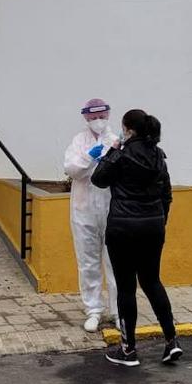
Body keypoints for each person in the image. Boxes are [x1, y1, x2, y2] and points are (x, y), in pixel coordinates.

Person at [92, 109, 182, 368]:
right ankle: (171, 340)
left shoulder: (121, 155)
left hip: (122, 229)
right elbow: (167, 193)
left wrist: (112, 150)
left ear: (128, 130)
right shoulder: (157, 156)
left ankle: (128, 349)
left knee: (126, 287)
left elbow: (99, 179)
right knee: (152, 281)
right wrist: (159, 221)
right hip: (153, 228)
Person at [62, 98, 121, 333]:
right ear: (86, 118)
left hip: (111, 209)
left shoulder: (116, 141)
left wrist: (96, 162)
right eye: (93, 117)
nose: (97, 121)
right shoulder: (79, 141)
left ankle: (119, 311)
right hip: (83, 210)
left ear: (107, 116)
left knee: (115, 263)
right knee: (88, 262)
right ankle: (93, 310)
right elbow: (72, 169)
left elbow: (117, 171)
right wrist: (89, 157)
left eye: (101, 117)